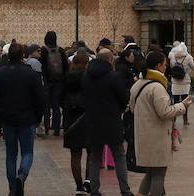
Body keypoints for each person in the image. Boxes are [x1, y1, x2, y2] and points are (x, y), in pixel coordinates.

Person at [0, 40, 47, 196]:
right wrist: (37, 117)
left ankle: (12, 189)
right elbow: (41, 99)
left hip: (8, 119)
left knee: (11, 154)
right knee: (27, 152)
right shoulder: (32, 75)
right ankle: (22, 176)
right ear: (23, 55)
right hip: (28, 119)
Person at [130, 49, 188, 196]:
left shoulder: (138, 84)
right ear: (158, 66)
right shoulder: (157, 87)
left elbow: (132, 108)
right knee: (158, 175)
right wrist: (182, 106)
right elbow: (165, 112)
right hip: (157, 138)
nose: (166, 66)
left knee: (150, 173)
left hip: (143, 135)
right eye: (164, 63)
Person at [83, 47, 133, 196]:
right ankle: (125, 190)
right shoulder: (114, 77)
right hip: (112, 121)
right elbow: (124, 98)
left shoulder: (86, 76)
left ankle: (94, 190)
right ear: (110, 60)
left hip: (93, 121)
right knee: (119, 155)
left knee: (95, 158)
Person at [64, 49, 92, 194]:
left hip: (71, 118)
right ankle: (88, 181)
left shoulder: (68, 77)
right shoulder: (89, 77)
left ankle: (78, 185)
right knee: (91, 152)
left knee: (75, 154)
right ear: (86, 63)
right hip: (87, 116)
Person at [44, 31, 69, 136]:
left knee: (46, 106)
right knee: (56, 105)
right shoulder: (61, 51)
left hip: (47, 81)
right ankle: (57, 128)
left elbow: (43, 67)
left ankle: (46, 127)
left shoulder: (44, 51)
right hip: (59, 82)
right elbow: (66, 67)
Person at [167, 41, 194, 129]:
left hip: (175, 81)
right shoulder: (188, 57)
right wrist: (187, 70)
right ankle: (185, 119)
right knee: (185, 101)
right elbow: (193, 67)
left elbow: (171, 67)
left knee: (175, 101)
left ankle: (174, 119)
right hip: (185, 81)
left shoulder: (173, 57)